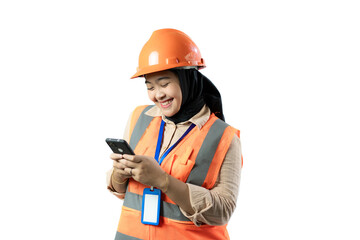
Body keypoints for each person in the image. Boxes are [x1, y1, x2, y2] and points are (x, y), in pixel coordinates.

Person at [106, 28, 243, 240]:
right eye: (150, 86)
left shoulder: (224, 136)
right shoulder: (138, 117)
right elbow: (122, 192)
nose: (157, 95)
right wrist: (119, 174)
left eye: (164, 83)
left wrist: (163, 181)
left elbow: (224, 210)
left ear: (187, 78)